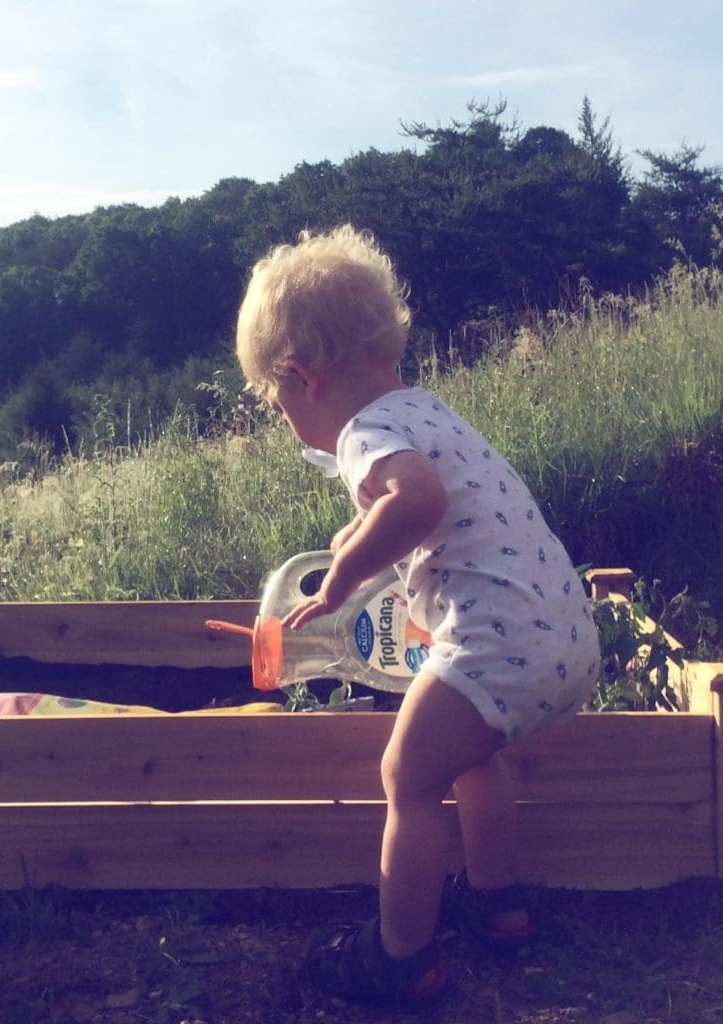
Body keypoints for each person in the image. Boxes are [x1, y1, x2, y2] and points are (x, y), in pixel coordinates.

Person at [235, 224, 600, 1006]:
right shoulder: (424, 410)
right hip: (561, 638)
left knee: (406, 776)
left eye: (272, 402)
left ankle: (400, 956)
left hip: (494, 648)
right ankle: (497, 902)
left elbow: (420, 500)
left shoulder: (365, 433)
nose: (281, 417)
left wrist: (339, 577)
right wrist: (358, 535)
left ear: (299, 378)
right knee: (470, 754)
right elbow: (436, 504)